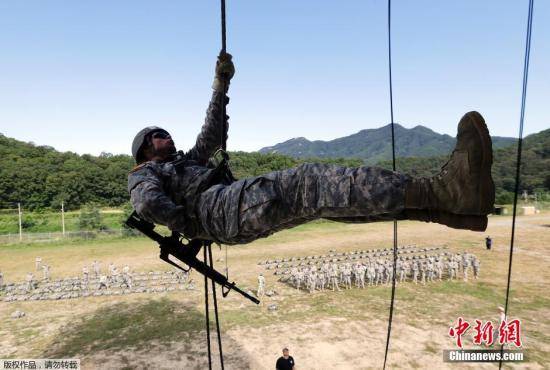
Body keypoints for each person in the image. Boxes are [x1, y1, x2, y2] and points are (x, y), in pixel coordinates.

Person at [128, 53, 495, 246]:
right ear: (146, 149)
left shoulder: (182, 164)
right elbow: (146, 203)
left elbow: (212, 135)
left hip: (221, 209)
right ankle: (443, 190)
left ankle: (447, 209)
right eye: (159, 135)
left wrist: (220, 85)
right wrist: (188, 220)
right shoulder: (146, 173)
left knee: (321, 202)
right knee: (309, 182)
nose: (167, 137)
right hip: (216, 208)